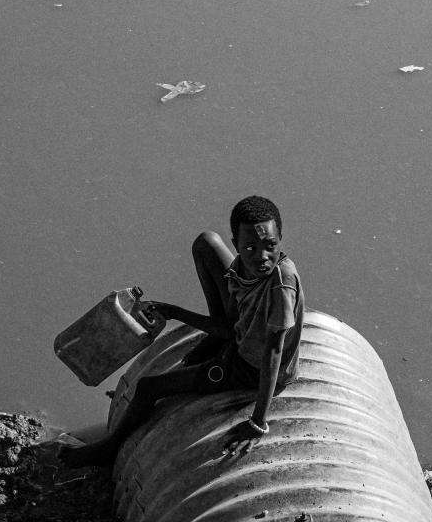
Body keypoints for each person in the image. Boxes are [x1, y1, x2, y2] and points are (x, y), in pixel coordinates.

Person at [61, 195, 304, 467]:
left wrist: (258, 422)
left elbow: (273, 351)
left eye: (270, 245)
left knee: (148, 387)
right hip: (240, 336)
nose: (262, 256)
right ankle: (217, 339)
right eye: (250, 248)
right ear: (236, 245)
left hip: (250, 368)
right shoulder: (243, 268)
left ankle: (108, 450)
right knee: (207, 243)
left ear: (280, 238)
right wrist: (173, 311)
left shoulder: (281, 286)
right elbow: (232, 325)